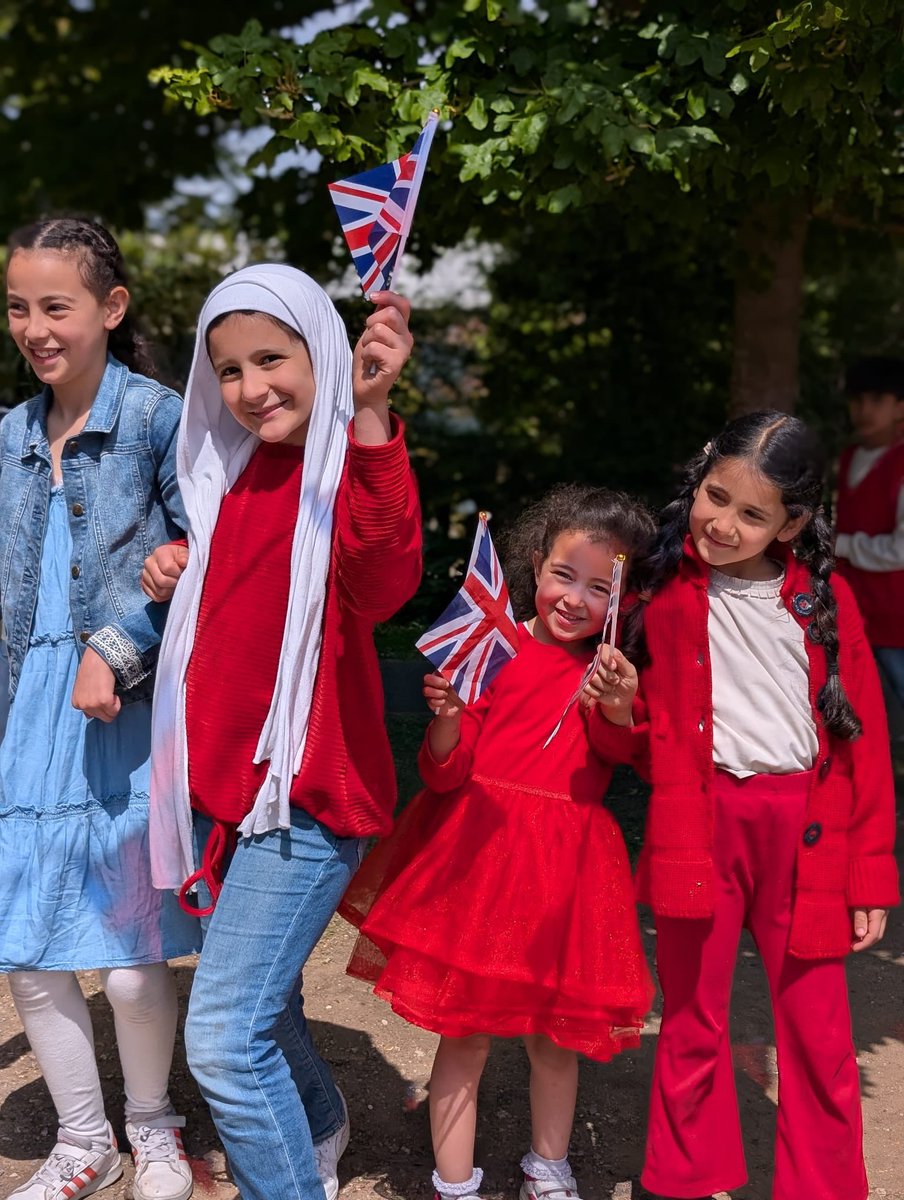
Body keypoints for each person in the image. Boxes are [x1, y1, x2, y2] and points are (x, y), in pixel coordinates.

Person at [141, 264, 421, 1200]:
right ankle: (317, 1121)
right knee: (269, 1005)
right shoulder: (231, 473)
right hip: (227, 800)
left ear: (323, 352)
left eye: (272, 358)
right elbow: (242, 603)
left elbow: (383, 575)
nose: (251, 386)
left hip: (304, 801)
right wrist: (181, 565)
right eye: (228, 368)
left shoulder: (345, 462)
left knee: (221, 1038)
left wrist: (373, 414)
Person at [596, 411, 899, 1200]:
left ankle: (824, 1187)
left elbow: (861, 745)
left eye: (751, 513)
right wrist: (624, 709)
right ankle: (683, 1179)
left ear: (793, 523)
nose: (722, 523)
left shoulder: (827, 608)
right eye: (714, 496)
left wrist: (870, 875)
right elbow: (645, 745)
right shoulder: (662, 600)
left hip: (807, 836)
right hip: (698, 830)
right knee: (693, 1019)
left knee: (819, 1032)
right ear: (697, 481)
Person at [339, 484, 655, 1200]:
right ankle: (456, 1184)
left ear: (623, 602)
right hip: (478, 861)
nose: (575, 599)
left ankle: (550, 1168)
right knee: (466, 1033)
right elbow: (445, 774)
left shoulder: (611, 675)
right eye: (564, 575)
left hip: (567, 876)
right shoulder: (494, 648)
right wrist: (449, 715)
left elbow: (625, 750)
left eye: (600, 588)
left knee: (554, 1039)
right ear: (536, 566)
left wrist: (617, 703)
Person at [0, 217, 199, 1200]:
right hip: (23, 716)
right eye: (17, 307)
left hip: (125, 713)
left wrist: (115, 649)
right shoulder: (4, 436)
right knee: (28, 950)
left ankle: (155, 1127)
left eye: (56, 307)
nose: (35, 327)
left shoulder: (163, 419)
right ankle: (86, 1141)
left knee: (130, 955)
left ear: (111, 310)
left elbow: (206, 565)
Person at [835, 356, 904, 723]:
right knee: (864, 720)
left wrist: (841, 544)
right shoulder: (849, 458)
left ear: (900, 406)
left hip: (898, 620)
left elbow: (901, 549)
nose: (863, 410)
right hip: (855, 614)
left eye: (876, 400)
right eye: (857, 401)